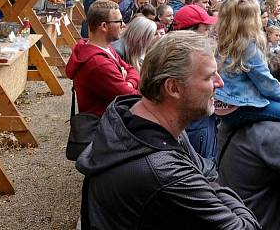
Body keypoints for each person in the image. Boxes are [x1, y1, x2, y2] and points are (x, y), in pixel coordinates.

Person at [76, 31, 261, 229]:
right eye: (209, 77)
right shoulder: (164, 171)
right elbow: (246, 227)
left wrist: (205, 183)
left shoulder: (134, 120)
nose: (220, 83)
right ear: (173, 87)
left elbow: (208, 172)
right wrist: (208, 185)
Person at [217, 54, 280, 230]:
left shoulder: (228, 122)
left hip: (236, 216)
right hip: (263, 221)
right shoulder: (275, 132)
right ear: (275, 84)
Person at [214, 0, 280, 141]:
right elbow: (266, 83)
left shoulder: (222, 40)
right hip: (239, 105)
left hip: (221, 103)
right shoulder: (248, 46)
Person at [66, 0, 139, 117]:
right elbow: (131, 97)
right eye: (119, 21)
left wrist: (128, 82)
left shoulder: (103, 48)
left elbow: (131, 69)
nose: (123, 24)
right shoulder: (98, 63)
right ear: (104, 26)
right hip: (106, 127)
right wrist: (125, 80)